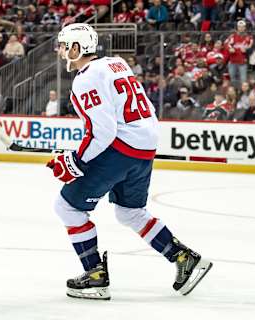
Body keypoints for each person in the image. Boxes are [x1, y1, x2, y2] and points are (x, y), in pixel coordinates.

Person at [49, 23, 212, 300]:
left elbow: (103, 131)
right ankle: (183, 257)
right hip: (144, 146)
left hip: (122, 148)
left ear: (77, 48)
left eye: (64, 46)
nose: (61, 51)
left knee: (67, 207)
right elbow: (138, 110)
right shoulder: (116, 63)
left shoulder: (85, 78)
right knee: (129, 212)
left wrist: (75, 161)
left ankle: (95, 275)